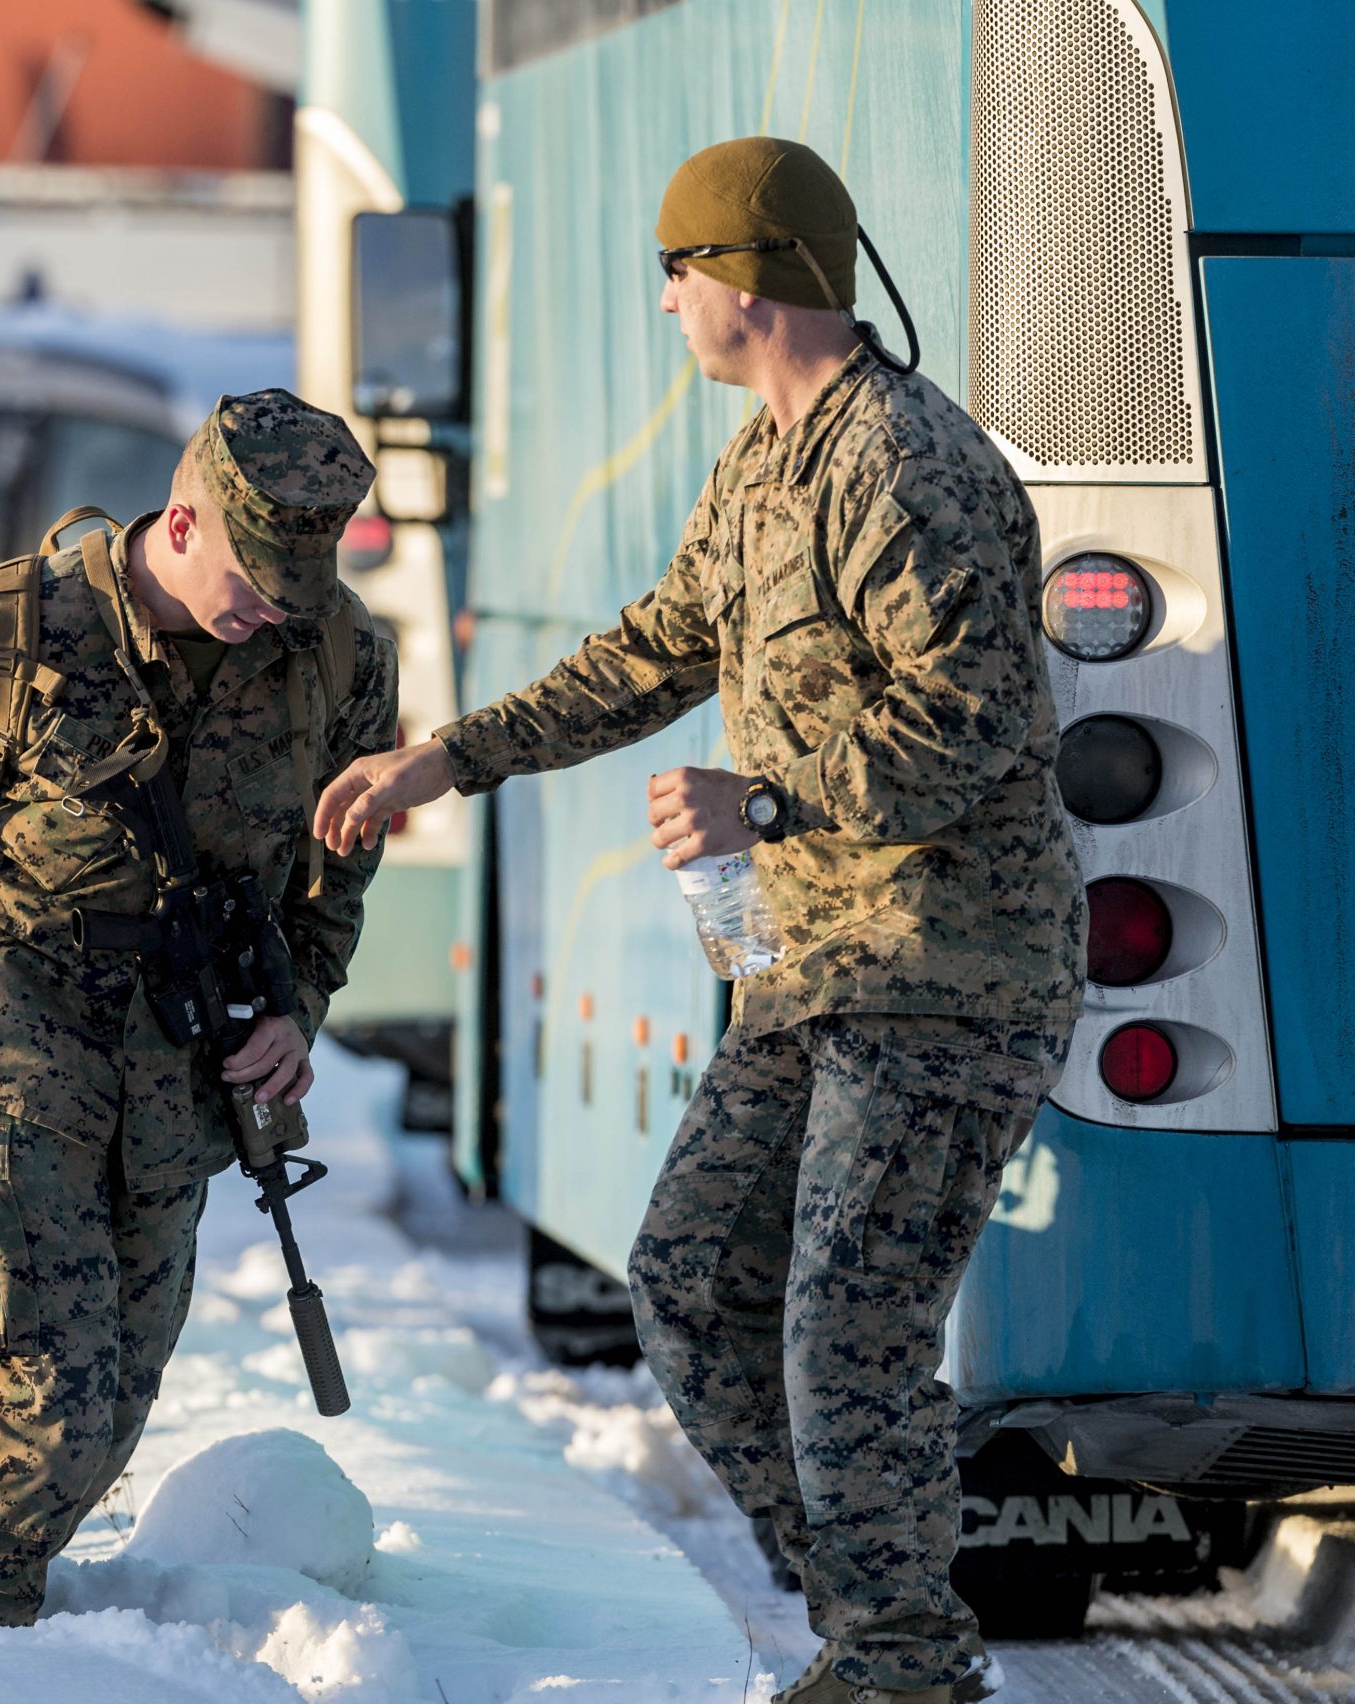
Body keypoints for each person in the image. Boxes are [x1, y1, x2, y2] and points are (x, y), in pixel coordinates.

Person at [314, 138, 1084, 1704]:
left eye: (676, 270)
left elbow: (983, 716)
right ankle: (883, 1624)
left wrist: (771, 802)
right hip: (807, 979)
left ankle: (898, 1661)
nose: (666, 301)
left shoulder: (906, 466)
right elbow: (654, 649)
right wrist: (444, 761)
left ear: (745, 276)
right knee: (686, 1284)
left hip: (946, 972)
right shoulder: (763, 461)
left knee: (842, 1332)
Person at [0, 391, 396, 1646]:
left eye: (301, 581)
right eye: (256, 576)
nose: (276, 604)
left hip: (177, 1069)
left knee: (109, 1410)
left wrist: (295, 1012)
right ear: (180, 521)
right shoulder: (9, 637)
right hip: (6, 1045)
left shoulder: (337, 652)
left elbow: (337, 862)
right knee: (39, 1403)